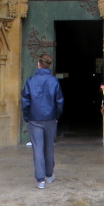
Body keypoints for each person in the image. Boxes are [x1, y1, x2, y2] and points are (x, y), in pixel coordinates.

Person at [21, 53, 64, 189]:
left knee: (38, 148)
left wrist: (27, 117)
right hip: (50, 118)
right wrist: (57, 116)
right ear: (49, 65)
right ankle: (49, 175)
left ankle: (40, 180)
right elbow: (59, 101)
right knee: (49, 147)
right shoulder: (54, 81)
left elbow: (25, 101)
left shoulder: (30, 81)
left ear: (38, 64)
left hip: (34, 118)